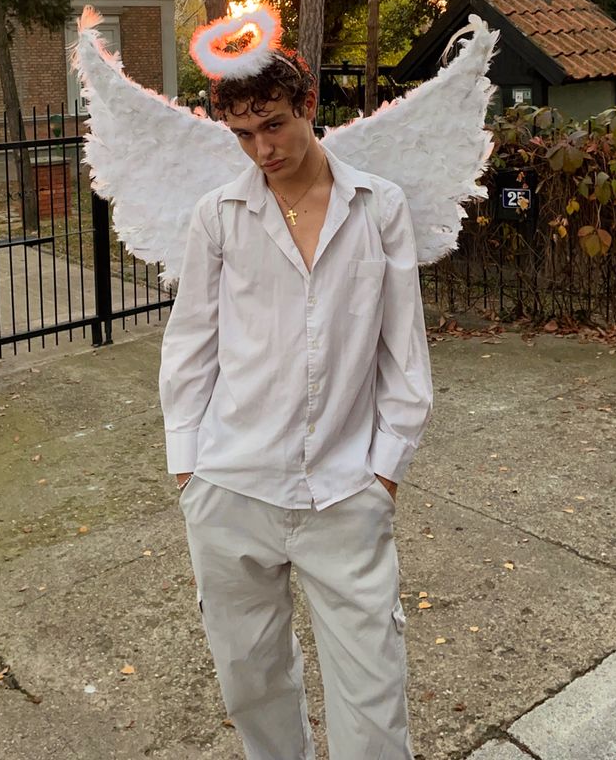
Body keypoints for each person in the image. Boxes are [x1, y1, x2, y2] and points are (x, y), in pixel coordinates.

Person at [159, 45, 434, 760]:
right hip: (231, 487)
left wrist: (384, 472)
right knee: (252, 684)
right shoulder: (218, 216)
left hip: (346, 492)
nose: (261, 149)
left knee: (374, 701)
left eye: (273, 126)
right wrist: (188, 469)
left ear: (309, 106)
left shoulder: (379, 207)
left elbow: (404, 353)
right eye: (243, 135)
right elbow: (190, 344)